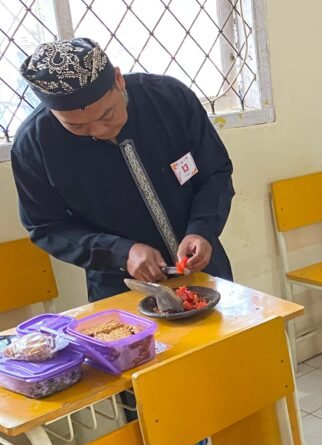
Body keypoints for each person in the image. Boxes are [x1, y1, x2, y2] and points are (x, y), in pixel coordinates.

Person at [12, 38, 234, 303]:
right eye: (77, 127)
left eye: (107, 115)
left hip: (205, 274)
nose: (99, 131)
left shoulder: (169, 99)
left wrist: (203, 228)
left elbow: (215, 172)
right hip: (121, 289)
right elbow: (45, 226)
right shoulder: (35, 143)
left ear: (118, 79)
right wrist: (120, 253)